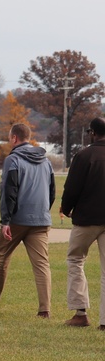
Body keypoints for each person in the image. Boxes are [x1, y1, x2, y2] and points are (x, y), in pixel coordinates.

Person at [0, 123, 55, 317]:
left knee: (2, 257)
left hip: (17, 219)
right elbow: (52, 191)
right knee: (42, 264)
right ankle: (44, 309)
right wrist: (43, 211)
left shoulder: (13, 160)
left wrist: (6, 221)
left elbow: (9, 192)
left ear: (14, 138)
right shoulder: (46, 161)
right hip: (41, 218)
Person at [59, 116, 105, 329]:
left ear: (92, 133)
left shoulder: (85, 155)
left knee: (76, 260)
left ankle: (80, 312)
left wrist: (66, 208)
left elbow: (72, 187)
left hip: (87, 219)